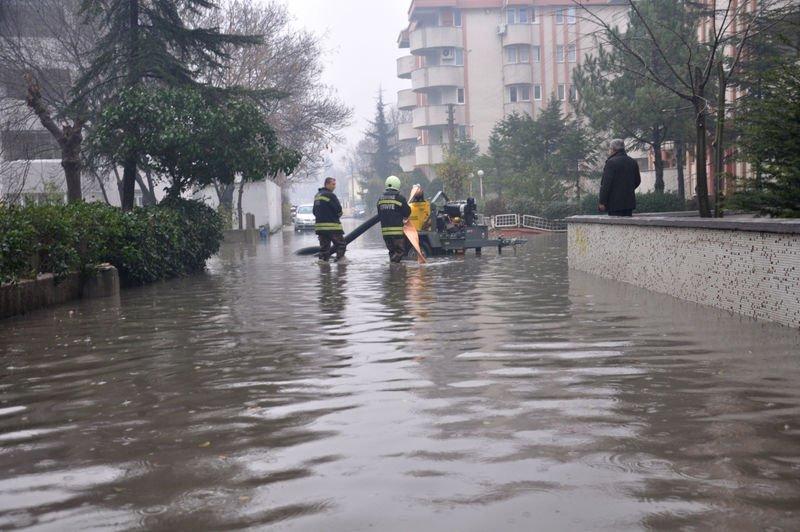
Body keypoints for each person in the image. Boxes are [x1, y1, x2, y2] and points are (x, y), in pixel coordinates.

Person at [599, 139, 641, 217]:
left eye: (609, 149)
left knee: (615, 227)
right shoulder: (632, 162)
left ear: (613, 149)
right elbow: (637, 181)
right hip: (629, 203)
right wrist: (627, 190)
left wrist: (602, 202)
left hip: (614, 204)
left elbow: (606, 184)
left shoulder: (611, 162)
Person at [377, 175, 411, 263]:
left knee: (392, 252)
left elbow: (379, 214)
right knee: (400, 252)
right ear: (397, 185)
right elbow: (407, 213)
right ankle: (393, 266)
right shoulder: (400, 199)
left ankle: (393, 273)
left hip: (385, 233)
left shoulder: (380, 199)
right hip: (397, 233)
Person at [313, 177, 345, 262]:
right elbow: (339, 210)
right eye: (333, 184)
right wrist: (337, 216)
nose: (334, 186)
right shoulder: (330, 195)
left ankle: (323, 265)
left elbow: (314, 211)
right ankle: (340, 264)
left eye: (335, 184)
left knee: (324, 249)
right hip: (333, 227)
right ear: (327, 184)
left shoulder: (317, 195)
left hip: (320, 229)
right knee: (341, 245)